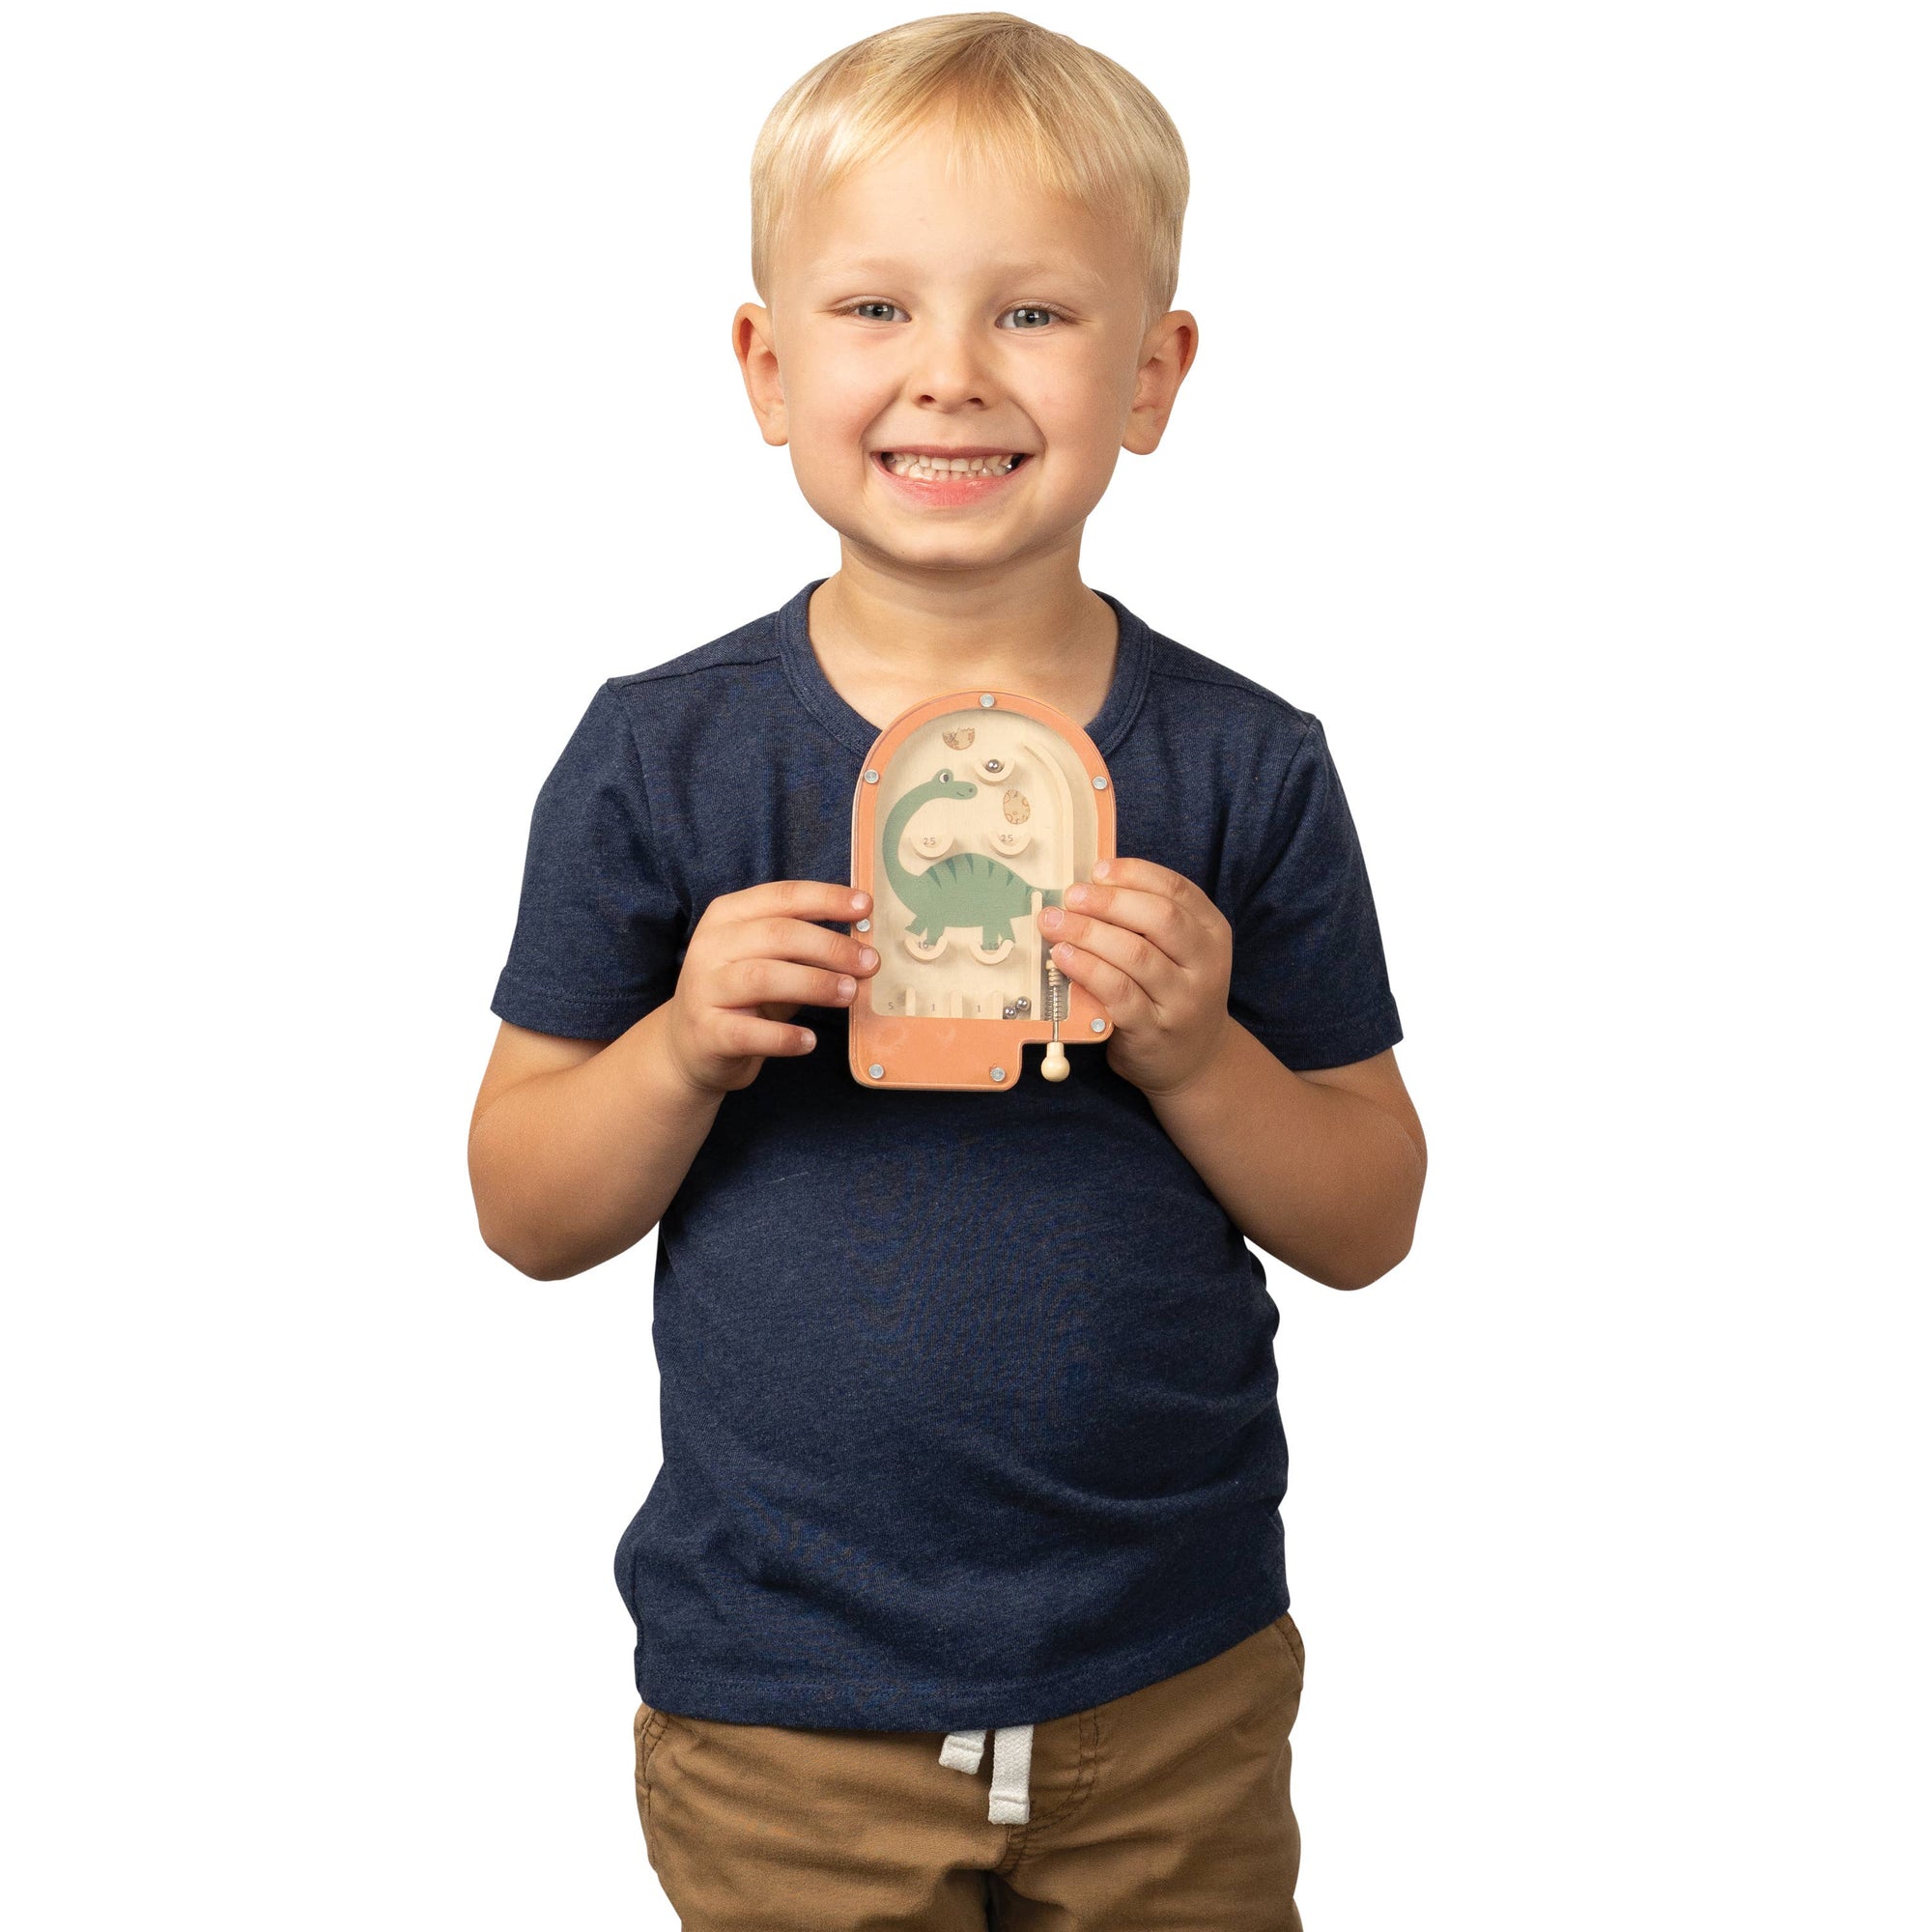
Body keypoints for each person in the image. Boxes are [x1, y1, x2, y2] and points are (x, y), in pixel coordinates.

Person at [469, 14, 1426, 1927]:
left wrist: (1198, 1047)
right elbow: (522, 1203)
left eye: (1037, 316)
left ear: (1155, 373)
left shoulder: (1248, 762)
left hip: (1169, 1674)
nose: (951, 377)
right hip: (785, 1703)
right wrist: (676, 1049)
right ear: (764, 364)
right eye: (877, 308)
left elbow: (1368, 1209)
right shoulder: (661, 757)